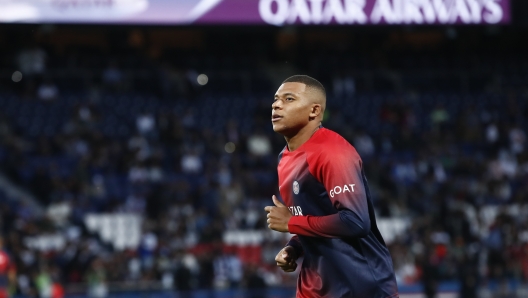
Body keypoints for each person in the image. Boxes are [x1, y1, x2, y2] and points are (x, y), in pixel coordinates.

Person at [264, 75, 398, 298]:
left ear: (314, 111)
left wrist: (291, 222)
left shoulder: (333, 153)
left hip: (360, 288)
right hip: (315, 287)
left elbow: (355, 221)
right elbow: (316, 217)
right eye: (276, 100)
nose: (276, 105)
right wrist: (294, 247)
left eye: (288, 99)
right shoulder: (284, 158)